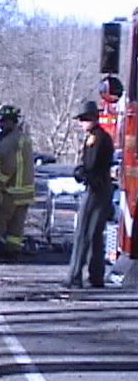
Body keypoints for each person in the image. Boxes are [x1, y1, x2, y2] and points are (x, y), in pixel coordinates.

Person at [63, 100, 114, 289]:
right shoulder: (100, 137)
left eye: (84, 119)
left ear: (92, 118)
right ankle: (96, 276)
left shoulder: (96, 139)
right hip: (102, 188)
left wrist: (81, 173)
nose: (81, 123)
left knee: (83, 232)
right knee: (95, 234)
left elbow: (92, 167)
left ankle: (75, 275)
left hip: (96, 189)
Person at [0, 105, 35, 259]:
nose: (1, 125)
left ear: (10, 122)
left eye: (3, 122)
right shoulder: (24, 138)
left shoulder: (9, 141)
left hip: (10, 191)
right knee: (16, 225)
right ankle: (12, 251)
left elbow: (8, 166)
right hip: (25, 192)